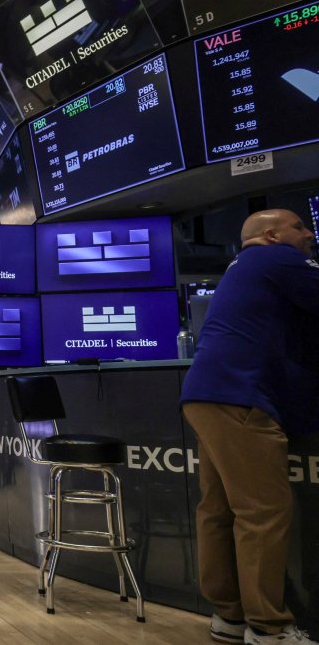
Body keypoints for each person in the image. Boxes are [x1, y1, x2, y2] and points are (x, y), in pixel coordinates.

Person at [180, 209, 319, 645]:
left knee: (219, 511)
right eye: (300, 227)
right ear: (272, 235)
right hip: (242, 395)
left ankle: (230, 616)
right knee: (263, 513)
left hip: (205, 394)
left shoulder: (240, 267)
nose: (309, 232)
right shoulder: (278, 258)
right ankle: (268, 627)